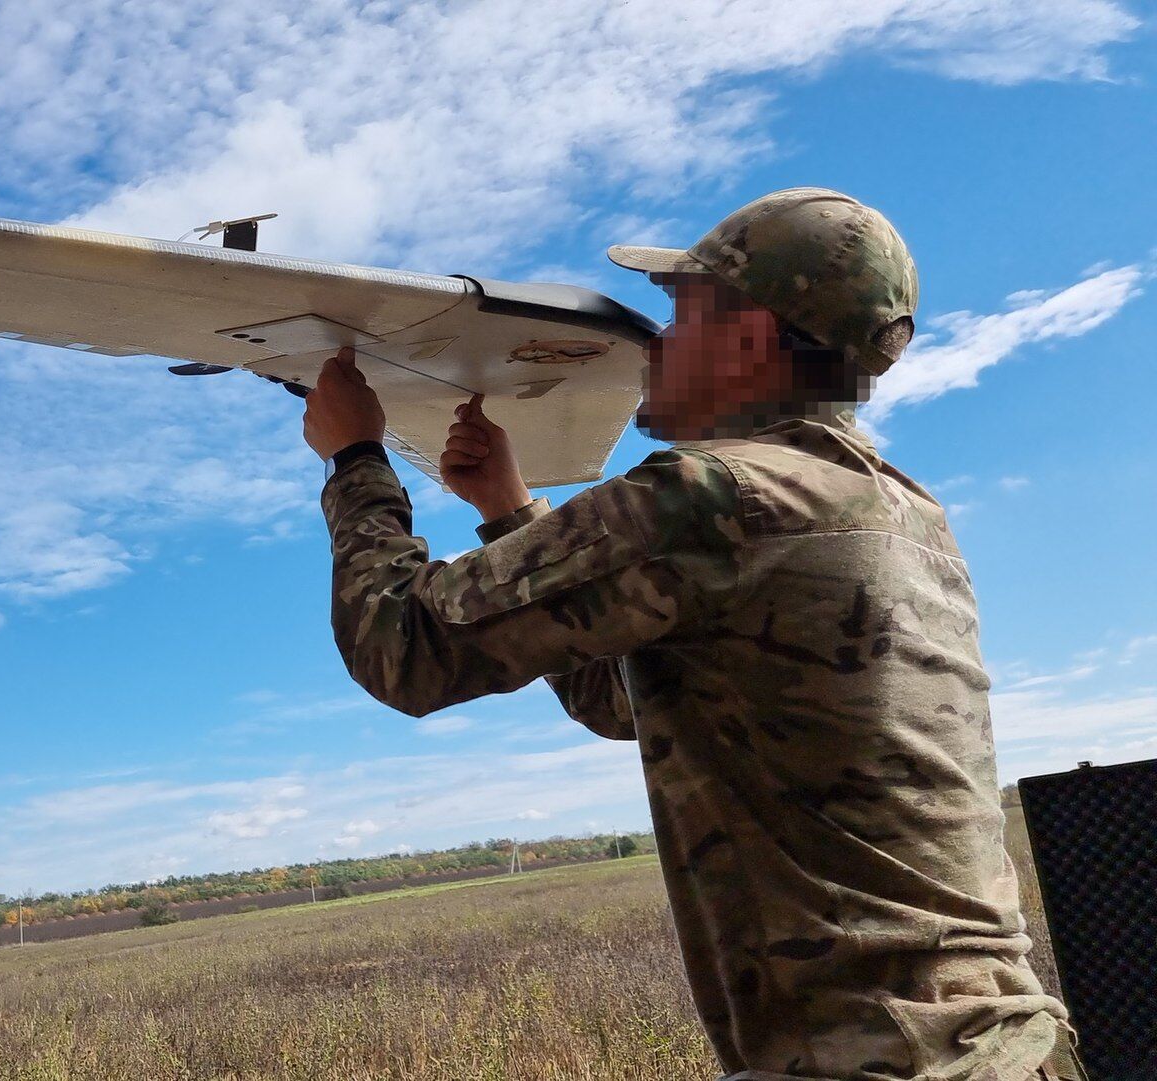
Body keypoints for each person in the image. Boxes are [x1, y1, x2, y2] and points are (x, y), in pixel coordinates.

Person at [301, 188, 1084, 1081]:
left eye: (682, 315)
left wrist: (355, 459)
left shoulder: (714, 497)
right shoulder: (902, 512)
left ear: (749, 339)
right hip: (1011, 1054)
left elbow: (402, 647)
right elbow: (627, 695)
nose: (656, 346)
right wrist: (509, 511)